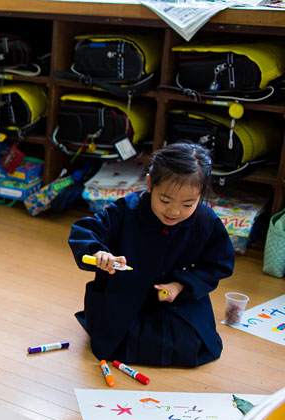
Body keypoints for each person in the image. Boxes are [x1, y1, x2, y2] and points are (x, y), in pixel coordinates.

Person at [68, 142, 235, 367]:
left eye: (188, 204)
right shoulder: (128, 209)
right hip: (125, 295)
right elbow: (85, 231)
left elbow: (218, 264)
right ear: (149, 184)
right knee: (118, 343)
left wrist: (181, 285)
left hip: (176, 298)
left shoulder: (205, 221)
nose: (174, 211)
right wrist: (99, 253)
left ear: (201, 194)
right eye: (165, 200)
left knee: (191, 346)